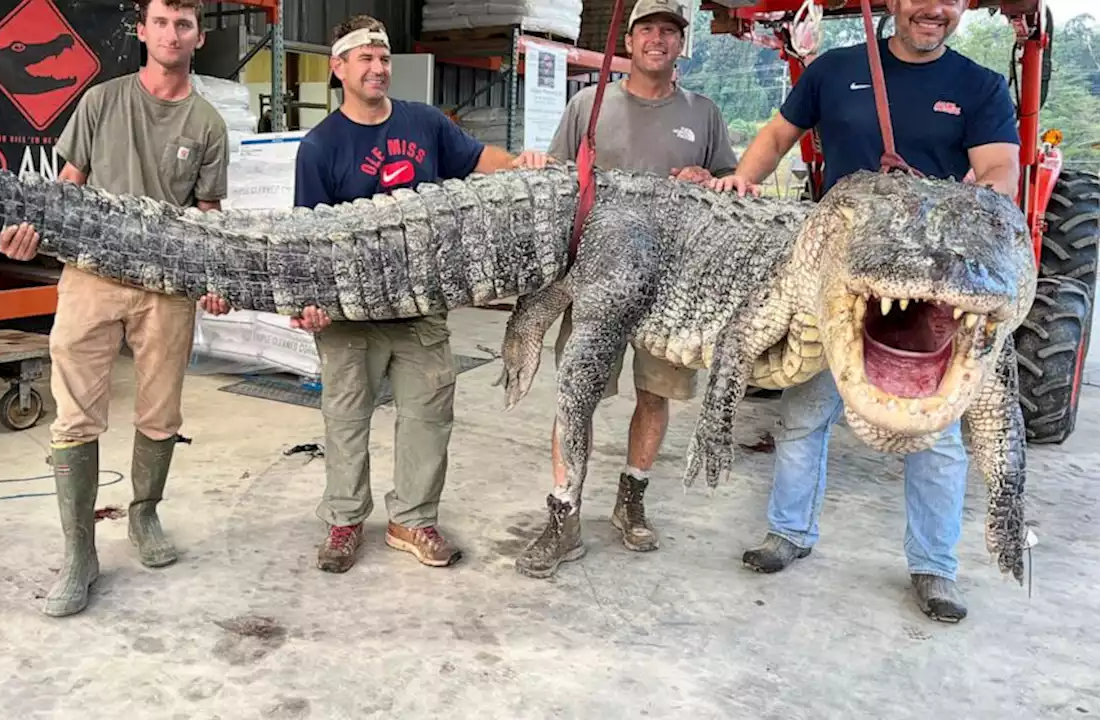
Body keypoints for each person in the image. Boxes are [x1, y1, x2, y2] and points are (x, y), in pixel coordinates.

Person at [711, 0, 1020, 623]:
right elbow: (776, 135)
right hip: (842, 277)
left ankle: (934, 566)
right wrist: (743, 179)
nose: (934, 9)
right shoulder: (834, 69)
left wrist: (978, 202)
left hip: (932, 282)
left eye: (950, 0)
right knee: (805, 413)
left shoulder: (979, 86)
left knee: (936, 436)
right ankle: (789, 532)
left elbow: (999, 170)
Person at [0, 0, 233, 617]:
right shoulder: (102, 100)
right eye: (161, 21)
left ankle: (145, 516)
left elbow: (206, 214)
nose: (172, 33)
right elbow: (66, 184)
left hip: (167, 287)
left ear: (198, 36)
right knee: (75, 416)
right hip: (91, 277)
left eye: (184, 24)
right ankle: (80, 554)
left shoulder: (206, 122)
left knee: (160, 412)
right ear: (144, 30)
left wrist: (209, 272)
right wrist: (31, 228)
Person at [289, 14, 551, 573]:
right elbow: (306, 238)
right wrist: (307, 303)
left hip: (421, 308)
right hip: (348, 315)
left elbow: (483, 162)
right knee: (346, 417)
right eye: (365, 58)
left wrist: (523, 164)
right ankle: (344, 520)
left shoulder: (425, 123)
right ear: (339, 68)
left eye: (384, 58)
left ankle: (412, 519)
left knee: (429, 415)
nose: (378, 67)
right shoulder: (319, 147)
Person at [516, 0, 738, 579]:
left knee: (655, 395)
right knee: (576, 395)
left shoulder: (704, 113)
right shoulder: (590, 106)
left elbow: (730, 190)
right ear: (630, 40)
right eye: (647, 30)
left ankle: (631, 497)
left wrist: (709, 182)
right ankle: (563, 512)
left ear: (680, 43)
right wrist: (538, 162)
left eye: (669, 31)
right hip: (596, 283)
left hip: (674, 290)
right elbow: (559, 182)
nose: (657, 40)